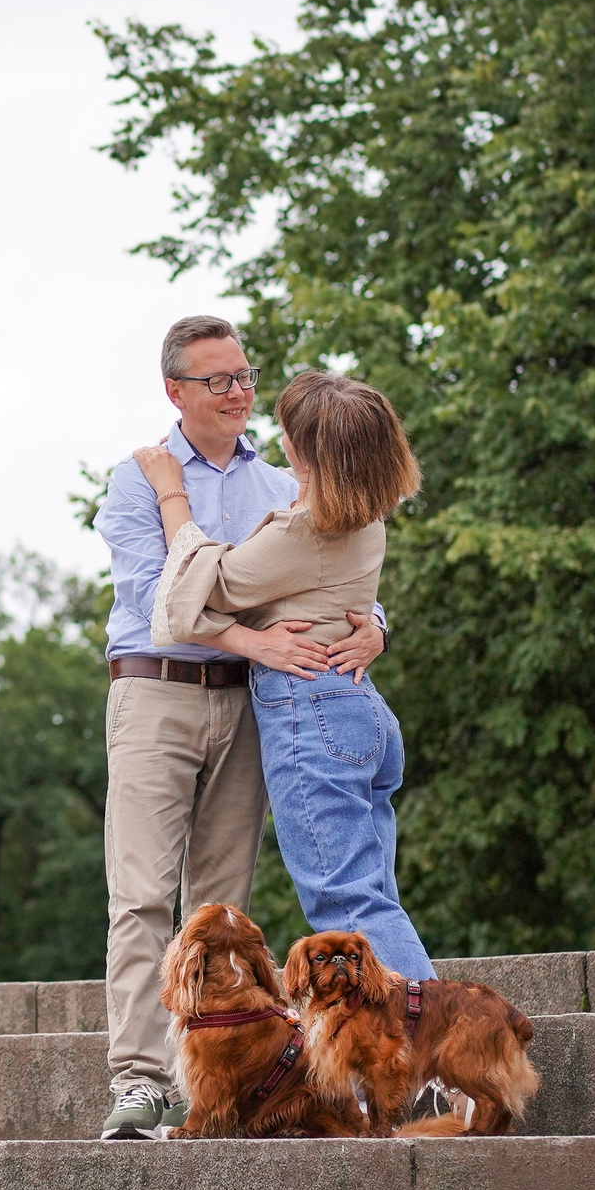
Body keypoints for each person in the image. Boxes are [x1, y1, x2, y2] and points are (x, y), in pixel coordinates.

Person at [90, 315, 387, 1141]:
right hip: (156, 693)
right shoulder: (137, 479)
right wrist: (255, 633)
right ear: (175, 390)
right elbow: (163, 601)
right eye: (218, 380)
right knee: (143, 897)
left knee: (222, 907)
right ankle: (141, 1081)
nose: (238, 394)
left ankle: (213, 1082)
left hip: (257, 702)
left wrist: (376, 627)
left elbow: (330, 566)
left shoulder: (279, 484)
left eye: (246, 377)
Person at [136, 366, 436, 989]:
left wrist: (172, 491)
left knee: (346, 903)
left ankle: (427, 1053)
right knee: (373, 893)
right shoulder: (362, 514)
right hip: (358, 708)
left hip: (312, 712)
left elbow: (196, 587)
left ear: (310, 450)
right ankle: (412, 1056)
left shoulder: (305, 529)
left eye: (290, 430)